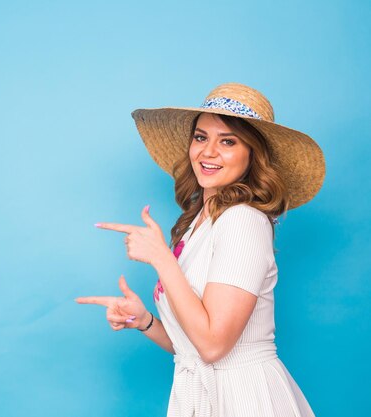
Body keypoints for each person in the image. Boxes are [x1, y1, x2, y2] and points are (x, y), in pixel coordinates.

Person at [75, 83, 324, 417]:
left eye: (228, 141)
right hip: (203, 395)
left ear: (253, 154)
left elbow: (213, 344)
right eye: (201, 137)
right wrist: (145, 321)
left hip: (243, 400)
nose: (208, 152)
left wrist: (162, 260)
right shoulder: (200, 221)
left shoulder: (243, 221)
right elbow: (192, 348)